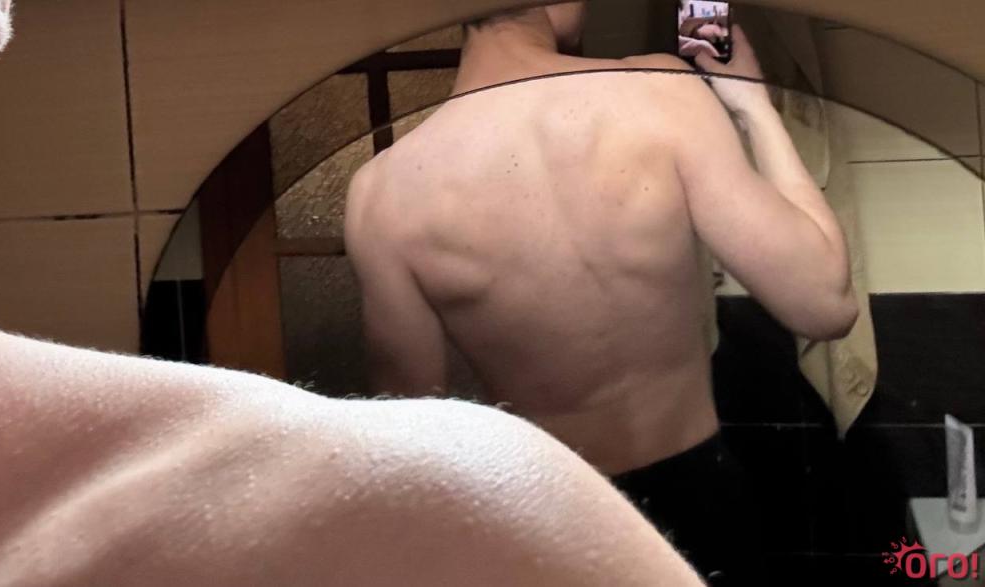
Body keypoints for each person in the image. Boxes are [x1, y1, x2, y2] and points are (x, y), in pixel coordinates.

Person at [0, 1, 706, 585]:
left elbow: (411, 389)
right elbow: (804, 294)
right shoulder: (451, 524)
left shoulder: (383, 191)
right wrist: (746, 97)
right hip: (701, 473)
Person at [346, 2, 857, 583]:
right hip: (700, 504)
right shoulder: (659, 93)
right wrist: (751, 104)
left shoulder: (381, 196)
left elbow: (417, 455)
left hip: (541, 525)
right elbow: (825, 304)